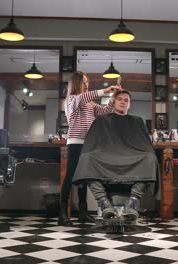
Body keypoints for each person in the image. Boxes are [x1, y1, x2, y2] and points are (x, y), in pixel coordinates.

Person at [73, 90, 160, 221]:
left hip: (132, 157)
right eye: (120, 99)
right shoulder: (101, 120)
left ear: (130, 104)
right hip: (107, 157)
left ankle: (133, 201)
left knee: (150, 158)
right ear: (113, 101)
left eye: (126, 100)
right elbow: (92, 144)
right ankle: (103, 202)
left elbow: (145, 145)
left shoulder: (137, 121)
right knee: (86, 158)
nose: (123, 102)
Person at [58, 71, 122, 226]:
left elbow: (104, 111)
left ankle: (83, 212)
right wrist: (105, 90)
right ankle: (62, 215)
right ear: (76, 83)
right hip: (75, 142)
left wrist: (113, 98)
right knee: (70, 177)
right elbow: (82, 98)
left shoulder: (90, 103)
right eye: (84, 82)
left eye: (87, 82)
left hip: (88, 144)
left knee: (83, 178)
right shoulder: (72, 99)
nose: (86, 85)